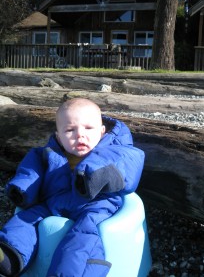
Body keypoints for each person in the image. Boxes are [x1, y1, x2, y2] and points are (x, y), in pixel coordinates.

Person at [0, 98, 145, 277]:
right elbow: (31, 171)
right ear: (59, 137)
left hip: (94, 205)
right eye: (70, 130)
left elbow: (126, 166)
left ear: (102, 132)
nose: (80, 135)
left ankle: (69, 273)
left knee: (83, 236)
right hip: (54, 201)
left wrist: (94, 177)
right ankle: (10, 255)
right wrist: (22, 190)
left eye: (88, 128)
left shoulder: (114, 150)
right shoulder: (48, 153)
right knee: (24, 219)